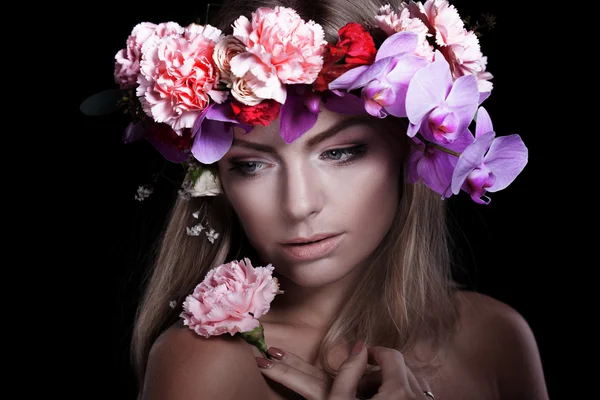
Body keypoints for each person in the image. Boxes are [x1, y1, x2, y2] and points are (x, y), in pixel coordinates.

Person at [90, 0, 549, 398]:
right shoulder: (204, 364)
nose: (298, 205)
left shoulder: (498, 338)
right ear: (216, 180)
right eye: (251, 165)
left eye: (340, 152)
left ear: (413, 146)